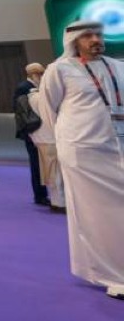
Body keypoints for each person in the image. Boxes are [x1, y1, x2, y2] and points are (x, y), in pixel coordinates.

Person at [36, 20, 124, 300]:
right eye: (88, 36)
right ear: (74, 41)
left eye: (98, 35)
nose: (95, 40)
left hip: (117, 147)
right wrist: (68, 141)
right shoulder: (59, 69)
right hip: (83, 153)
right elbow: (49, 111)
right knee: (97, 215)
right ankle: (112, 275)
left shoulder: (117, 66)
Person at [28, 68, 65, 213]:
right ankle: (60, 202)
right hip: (52, 138)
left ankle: (57, 201)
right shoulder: (42, 98)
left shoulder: (32, 96)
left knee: (50, 171)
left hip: (41, 139)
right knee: (57, 173)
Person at [14, 63, 49, 206]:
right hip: (32, 131)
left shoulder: (39, 86)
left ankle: (43, 194)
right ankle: (40, 195)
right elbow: (22, 112)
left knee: (43, 164)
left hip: (42, 131)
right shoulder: (24, 88)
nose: (41, 75)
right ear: (32, 74)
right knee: (36, 164)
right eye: (39, 73)